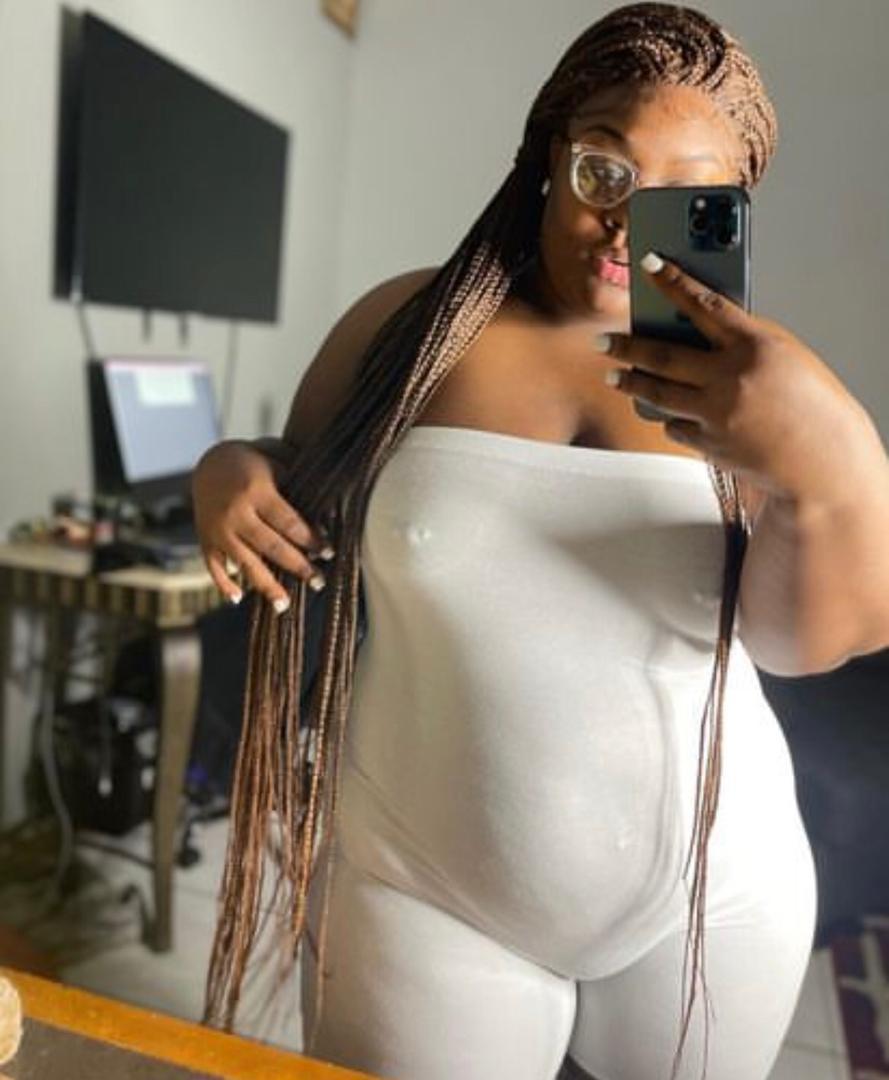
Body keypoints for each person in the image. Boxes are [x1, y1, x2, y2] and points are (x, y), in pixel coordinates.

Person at [194, 4, 889, 1078]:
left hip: (710, 892)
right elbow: (298, 484)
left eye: (685, 195)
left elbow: (801, 645)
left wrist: (838, 461)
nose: (625, 227)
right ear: (548, 158)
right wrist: (227, 469)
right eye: (604, 172)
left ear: (731, 208)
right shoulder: (412, 331)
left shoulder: (753, 387)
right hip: (421, 876)